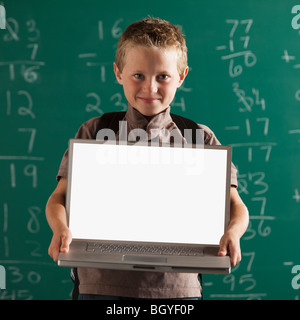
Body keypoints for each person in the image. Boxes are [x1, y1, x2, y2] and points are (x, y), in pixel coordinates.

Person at [46, 17, 249, 300]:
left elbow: (235, 205)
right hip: (101, 285)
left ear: (181, 76)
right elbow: (59, 197)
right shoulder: (95, 131)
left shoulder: (198, 137)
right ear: (118, 73)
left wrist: (234, 233)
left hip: (177, 290)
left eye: (162, 76)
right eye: (138, 75)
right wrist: (60, 227)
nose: (150, 88)